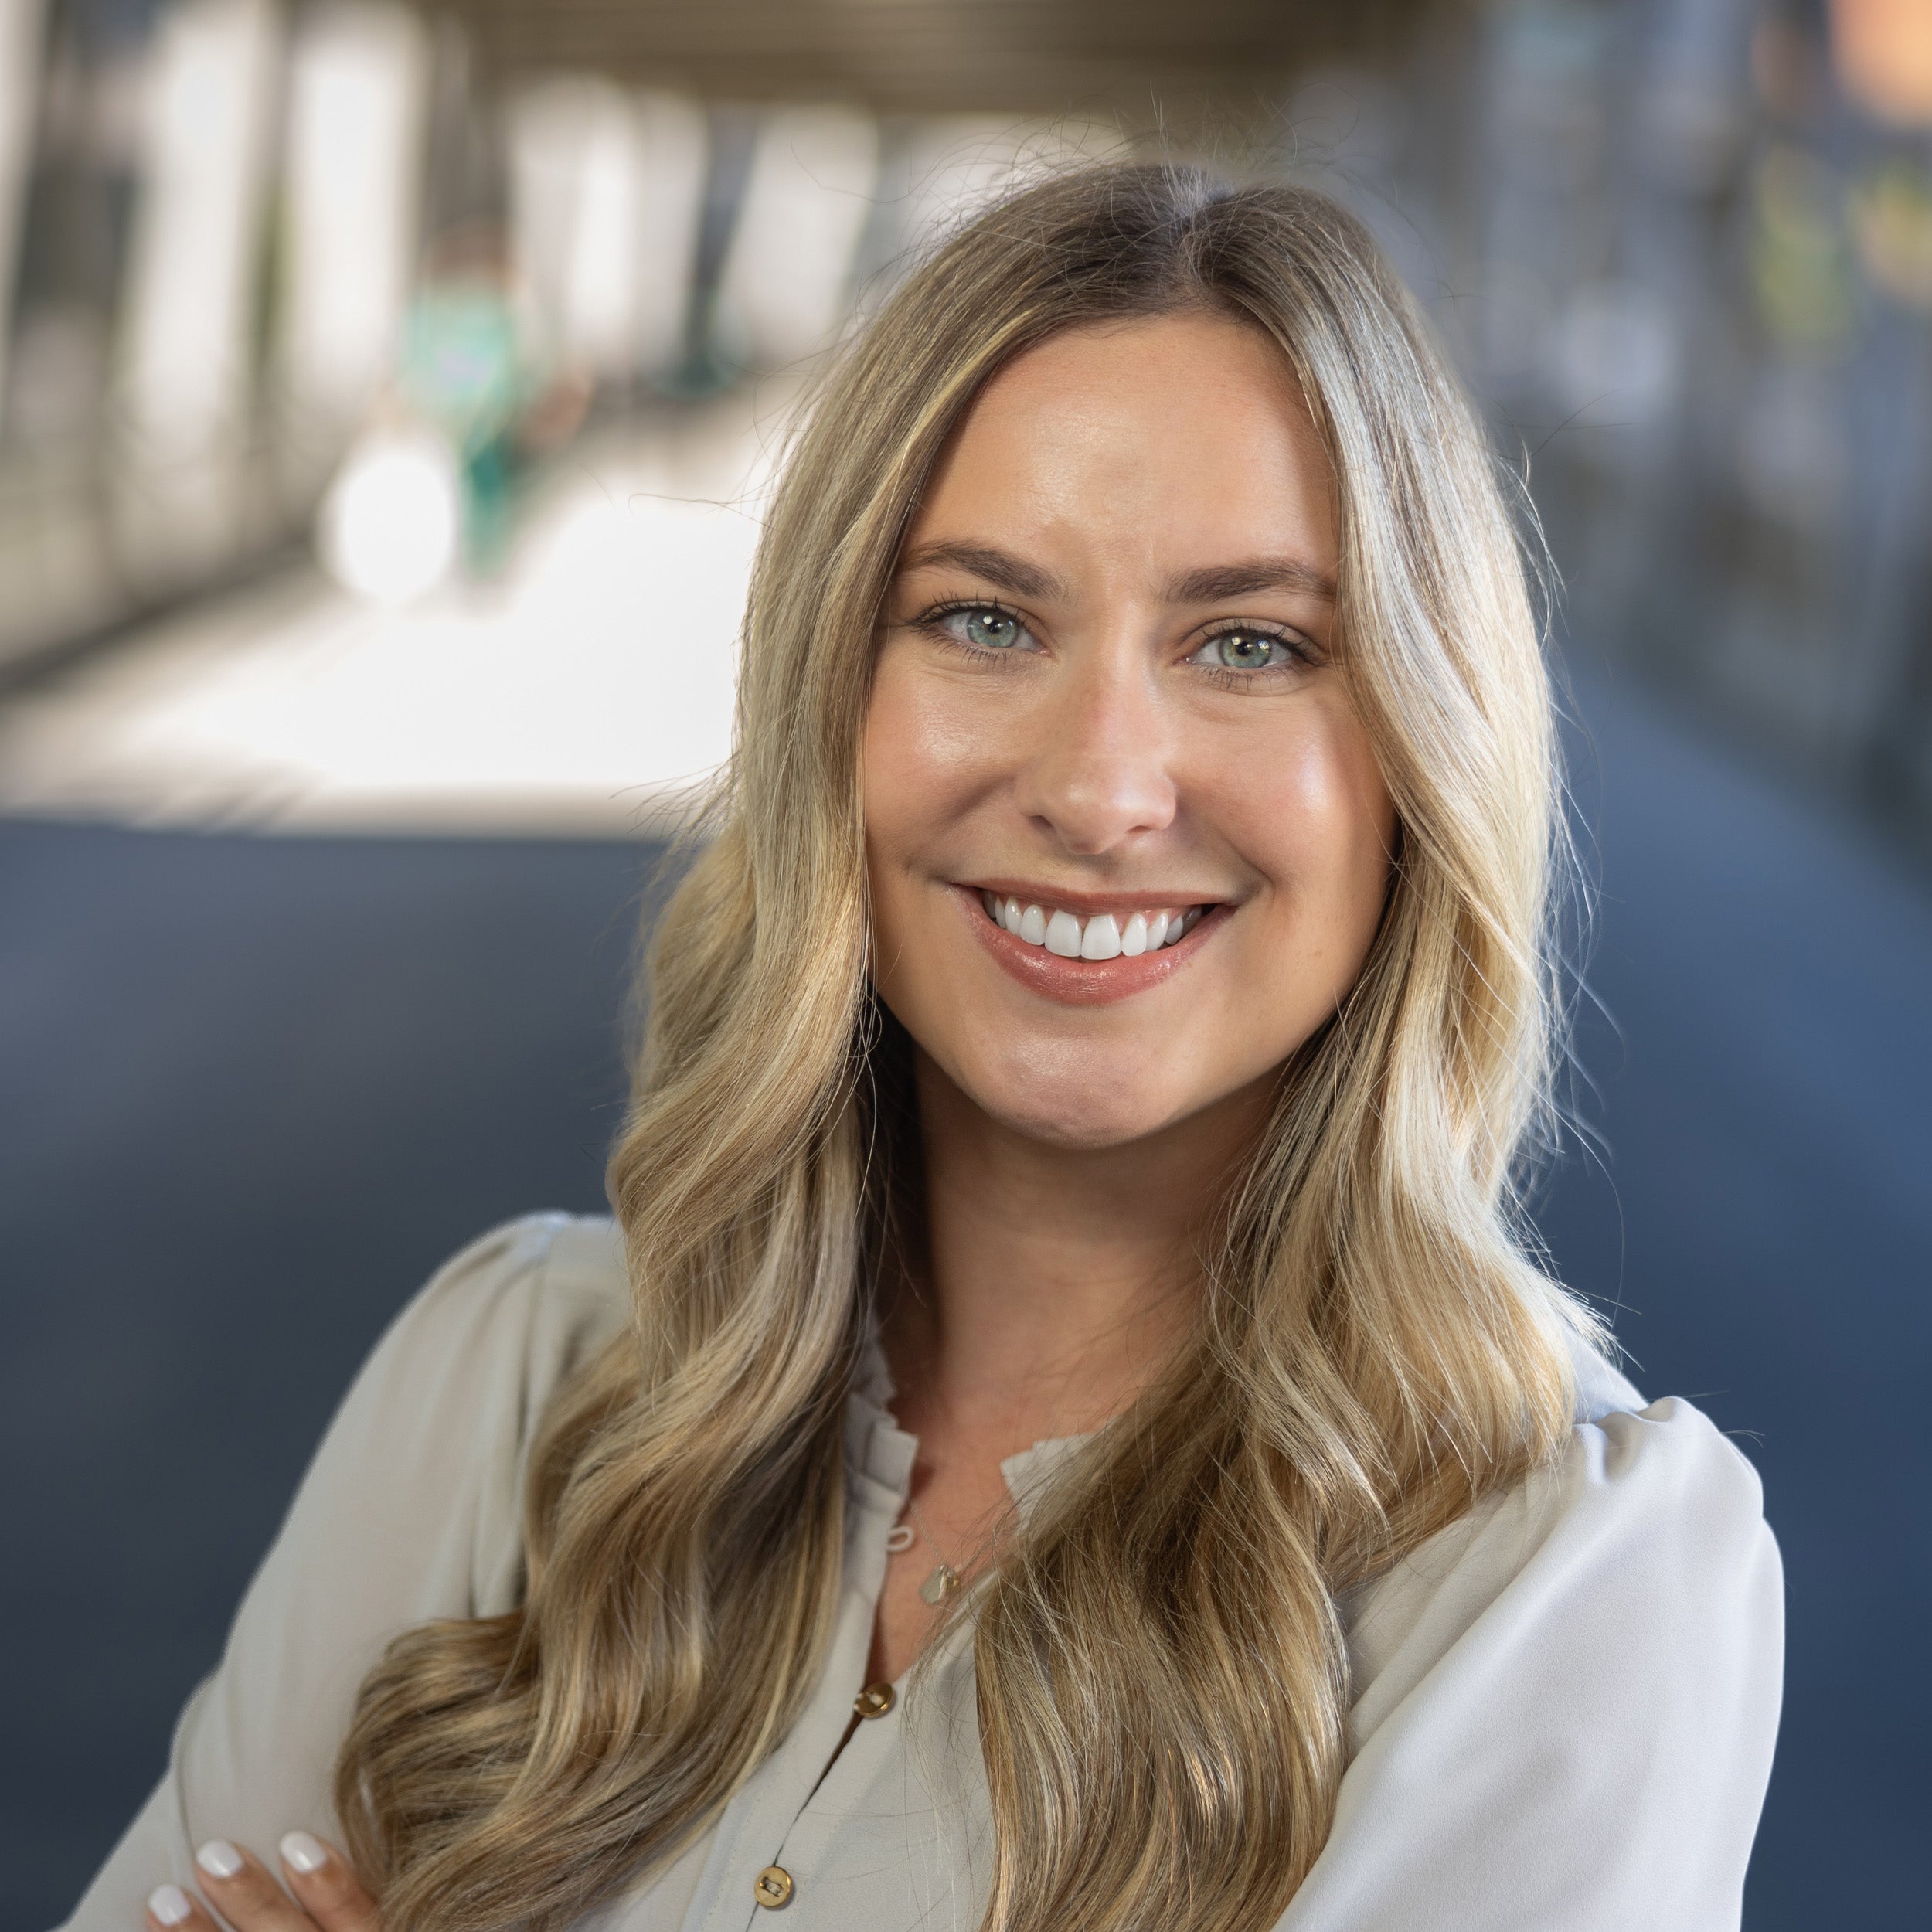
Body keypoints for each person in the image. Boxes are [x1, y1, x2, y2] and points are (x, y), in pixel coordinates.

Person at [67, 164, 1781, 1932]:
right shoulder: (502, 1383)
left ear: (1422, 756)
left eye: (1250, 644)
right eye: (982, 618)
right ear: (832, 702)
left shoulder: (1564, 1584)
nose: (1101, 787)